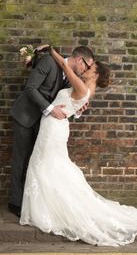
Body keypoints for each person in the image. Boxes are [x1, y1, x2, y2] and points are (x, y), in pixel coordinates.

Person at [19, 47, 137, 247]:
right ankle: (45, 206)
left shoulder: (81, 86)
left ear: (94, 73)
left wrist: (50, 49)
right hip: (55, 126)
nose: (86, 69)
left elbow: (63, 64)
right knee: (48, 165)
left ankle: (48, 209)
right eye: (88, 65)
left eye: (90, 67)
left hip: (54, 126)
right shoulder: (86, 88)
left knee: (45, 165)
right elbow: (74, 103)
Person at [9, 44, 94, 217]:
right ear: (79, 59)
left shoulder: (71, 77)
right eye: (86, 65)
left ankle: (32, 203)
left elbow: (65, 102)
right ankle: (15, 203)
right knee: (22, 160)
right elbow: (31, 88)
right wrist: (49, 108)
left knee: (37, 163)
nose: (86, 70)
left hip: (44, 124)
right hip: (25, 117)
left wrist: (77, 110)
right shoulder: (48, 62)